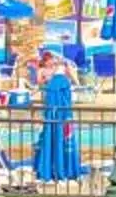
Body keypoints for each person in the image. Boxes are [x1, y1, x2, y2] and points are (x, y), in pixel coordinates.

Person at [31, 47, 83, 185]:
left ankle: (65, 169)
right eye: (48, 59)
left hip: (62, 108)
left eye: (52, 59)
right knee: (50, 135)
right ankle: (52, 168)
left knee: (64, 135)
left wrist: (68, 69)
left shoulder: (63, 69)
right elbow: (39, 83)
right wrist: (48, 76)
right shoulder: (43, 71)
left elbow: (76, 81)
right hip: (52, 107)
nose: (50, 62)